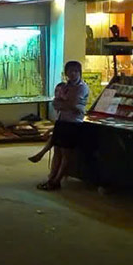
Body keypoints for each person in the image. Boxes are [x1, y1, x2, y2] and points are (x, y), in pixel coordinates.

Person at [35, 60, 89, 190]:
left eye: (76, 71)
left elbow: (73, 104)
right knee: (57, 151)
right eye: (71, 71)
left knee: (66, 154)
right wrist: (67, 105)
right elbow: (56, 104)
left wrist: (64, 104)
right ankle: (51, 178)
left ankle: (56, 181)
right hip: (61, 120)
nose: (73, 74)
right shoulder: (65, 86)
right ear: (66, 73)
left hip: (72, 123)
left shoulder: (81, 87)